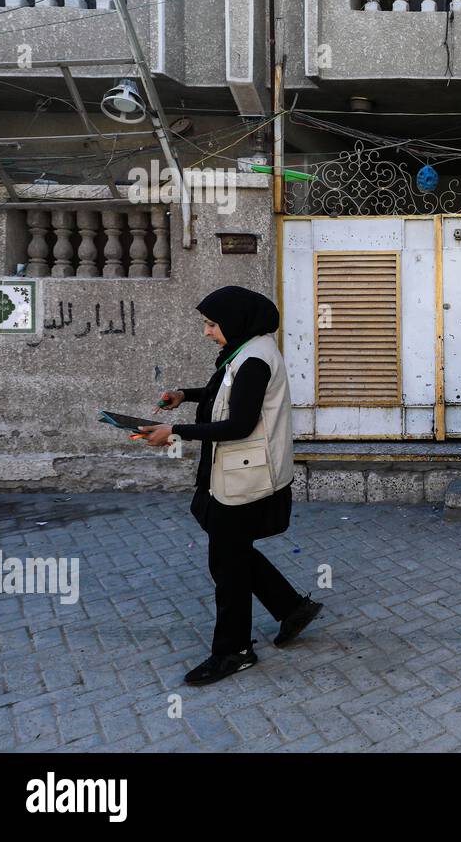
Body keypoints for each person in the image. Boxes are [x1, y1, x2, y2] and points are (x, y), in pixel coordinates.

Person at [140, 286, 321, 686]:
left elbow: (239, 423)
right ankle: (290, 607)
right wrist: (184, 396)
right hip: (230, 472)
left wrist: (175, 432)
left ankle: (233, 651)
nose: (207, 332)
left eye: (211, 324)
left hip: (243, 474)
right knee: (232, 553)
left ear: (235, 322)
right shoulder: (246, 350)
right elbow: (225, 393)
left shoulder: (254, 359)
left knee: (227, 565)